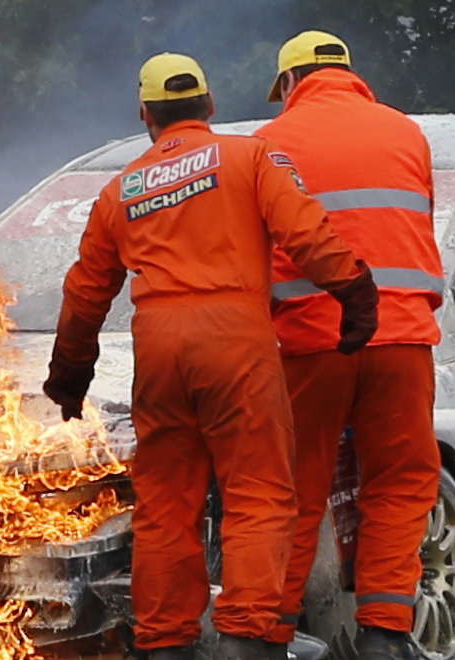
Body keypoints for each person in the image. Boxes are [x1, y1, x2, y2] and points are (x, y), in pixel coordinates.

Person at [46, 53, 380, 660]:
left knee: (166, 503)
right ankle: (247, 637)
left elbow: (86, 290)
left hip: (159, 348)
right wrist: (356, 295)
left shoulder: (120, 189)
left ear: (145, 113)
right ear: (211, 107)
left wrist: (69, 375)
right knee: (257, 491)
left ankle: (166, 641)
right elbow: (306, 232)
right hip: (235, 339)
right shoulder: (250, 157)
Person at [256, 31, 443, 660]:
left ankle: (270, 631)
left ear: (288, 83)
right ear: (348, 72)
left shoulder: (267, 143)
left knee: (293, 490)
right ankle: (385, 635)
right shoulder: (406, 132)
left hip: (312, 340)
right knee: (399, 483)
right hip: (404, 337)